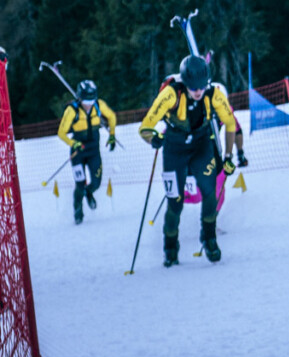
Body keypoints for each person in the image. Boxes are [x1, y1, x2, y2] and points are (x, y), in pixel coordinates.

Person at [139, 55, 237, 267]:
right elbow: (145, 127)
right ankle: (170, 247)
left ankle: (209, 237)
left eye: (201, 86)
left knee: (210, 193)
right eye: (193, 87)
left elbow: (230, 124)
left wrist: (229, 156)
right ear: (185, 82)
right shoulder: (170, 94)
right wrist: (153, 138)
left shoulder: (214, 95)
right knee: (175, 201)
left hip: (202, 145)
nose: (198, 92)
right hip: (174, 148)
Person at [56, 80, 117, 224]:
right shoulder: (72, 110)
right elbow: (61, 132)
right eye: (86, 100)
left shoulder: (99, 105)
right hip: (78, 152)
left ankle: (89, 193)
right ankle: (78, 211)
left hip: (94, 151)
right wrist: (73, 143)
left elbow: (112, 117)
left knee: (96, 181)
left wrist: (112, 135)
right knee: (79, 184)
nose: (89, 104)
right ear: (79, 97)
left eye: (91, 100)